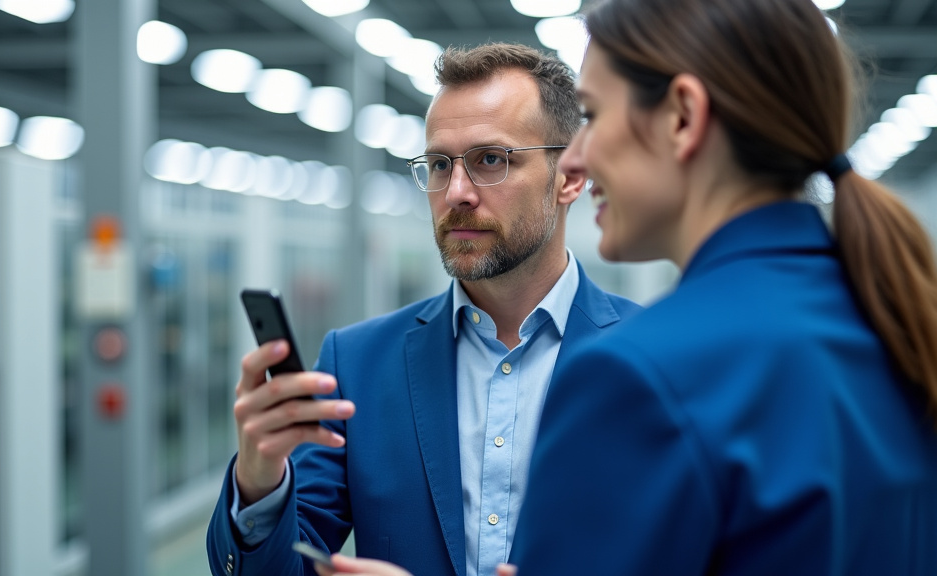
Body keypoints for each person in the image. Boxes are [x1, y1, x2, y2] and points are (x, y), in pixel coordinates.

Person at [504, 0, 937, 574]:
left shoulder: (635, 377)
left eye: (592, 114)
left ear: (683, 116)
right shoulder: (900, 327)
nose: (575, 159)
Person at [205, 42, 643, 576]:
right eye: (438, 164)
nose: (456, 191)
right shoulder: (356, 364)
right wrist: (259, 481)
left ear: (570, 177)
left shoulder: (658, 357)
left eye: (490, 160)